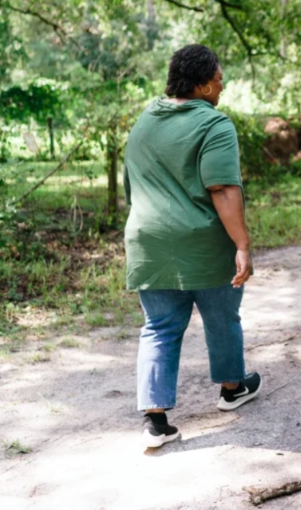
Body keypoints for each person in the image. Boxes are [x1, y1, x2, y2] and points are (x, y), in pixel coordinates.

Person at [124, 44, 262, 449]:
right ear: (203, 86)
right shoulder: (214, 124)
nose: (222, 87)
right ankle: (232, 388)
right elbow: (221, 188)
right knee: (221, 317)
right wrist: (242, 243)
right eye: (219, 80)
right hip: (203, 242)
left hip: (148, 241)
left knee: (159, 327)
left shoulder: (144, 120)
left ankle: (155, 420)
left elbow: (133, 185)